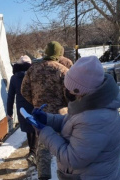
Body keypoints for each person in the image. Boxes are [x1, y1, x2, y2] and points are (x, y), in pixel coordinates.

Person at [32, 56, 120, 180]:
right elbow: (71, 122)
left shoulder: (96, 119)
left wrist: (44, 132)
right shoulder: (91, 103)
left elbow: (72, 159)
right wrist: (47, 119)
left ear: (82, 90)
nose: (68, 91)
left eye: (71, 88)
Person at [21, 41, 69, 180]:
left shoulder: (32, 69)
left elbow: (24, 90)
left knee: (42, 149)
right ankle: (64, 175)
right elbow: (70, 95)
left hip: (40, 114)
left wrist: (36, 102)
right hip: (60, 115)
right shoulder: (63, 70)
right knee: (63, 149)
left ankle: (44, 176)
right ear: (59, 54)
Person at [7, 55, 37, 164]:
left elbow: (10, 96)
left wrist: (9, 112)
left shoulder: (14, 78)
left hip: (22, 108)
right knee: (36, 129)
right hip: (34, 105)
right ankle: (33, 153)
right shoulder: (34, 74)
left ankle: (32, 151)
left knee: (29, 130)